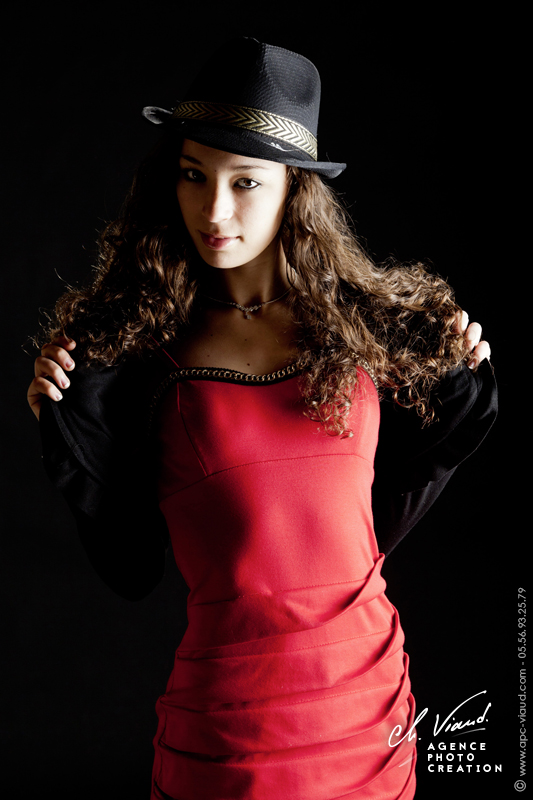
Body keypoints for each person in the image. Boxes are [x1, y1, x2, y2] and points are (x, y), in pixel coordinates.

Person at [27, 38, 496, 800]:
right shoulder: (127, 359)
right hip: (232, 717)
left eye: (245, 182)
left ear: (293, 191)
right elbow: (129, 565)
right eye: (192, 176)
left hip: (365, 703)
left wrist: (465, 364)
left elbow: (376, 512)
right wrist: (63, 418)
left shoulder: (374, 331)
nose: (213, 211)